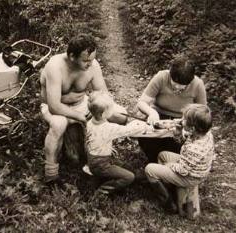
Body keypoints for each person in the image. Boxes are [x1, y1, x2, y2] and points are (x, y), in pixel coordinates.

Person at [40, 34, 127, 186]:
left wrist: (99, 107)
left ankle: (103, 159)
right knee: (58, 125)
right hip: (55, 107)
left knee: (119, 113)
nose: (90, 64)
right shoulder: (55, 67)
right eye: (86, 60)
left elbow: (103, 94)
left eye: (92, 59)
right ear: (72, 56)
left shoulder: (93, 65)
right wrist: (80, 117)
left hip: (81, 104)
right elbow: (54, 105)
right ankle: (51, 175)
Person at [85, 91, 173, 194]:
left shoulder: (91, 122)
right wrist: (144, 125)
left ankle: (100, 174)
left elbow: (95, 139)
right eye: (111, 108)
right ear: (104, 114)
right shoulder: (109, 128)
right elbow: (129, 130)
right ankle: (103, 190)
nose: (113, 110)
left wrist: (104, 147)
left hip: (93, 158)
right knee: (129, 177)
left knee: (129, 168)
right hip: (101, 164)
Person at [137, 55, 207, 162]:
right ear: (170, 74)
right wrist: (151, 112)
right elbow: (142, 102)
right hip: (159, 117)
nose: (178, 88)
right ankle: (153, 161)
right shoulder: (161, 77)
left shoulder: (198, 84)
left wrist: (184, 122)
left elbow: (202, 113)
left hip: (182, 121)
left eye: (183, 85)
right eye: (175, 83)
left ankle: (169, 164)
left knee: (176, 146)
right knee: (145, 135)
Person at [144, 104, 214, 212]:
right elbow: (188, 138)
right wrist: (178, 131)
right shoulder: (205, 133)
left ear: (193, 128)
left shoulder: (194, 149)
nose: (181, 120)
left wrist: (170, 166)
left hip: (190, 177)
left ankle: (168, 203)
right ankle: (170, 186)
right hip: (193, 167)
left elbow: (183, 170)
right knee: (163, 155)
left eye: (184, 119)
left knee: (149, 169)